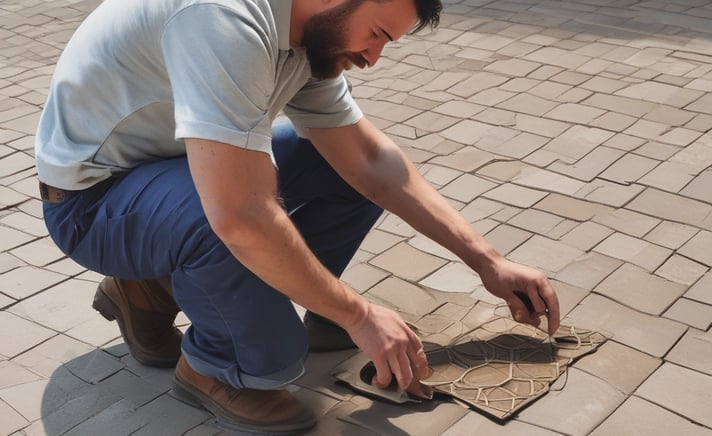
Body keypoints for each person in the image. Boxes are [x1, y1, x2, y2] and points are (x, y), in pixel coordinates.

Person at [35, 0, 561, 433]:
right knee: (237, 240)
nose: (372, 58)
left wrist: (487, 260)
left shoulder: (308, 35)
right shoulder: (223, 18)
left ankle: (152, 289)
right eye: (376, 34)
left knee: (335, 167)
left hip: (169, 172)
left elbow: (369, 161)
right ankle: (217, 368)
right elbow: (240, 215)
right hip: (92, 203)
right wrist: (360, 316)